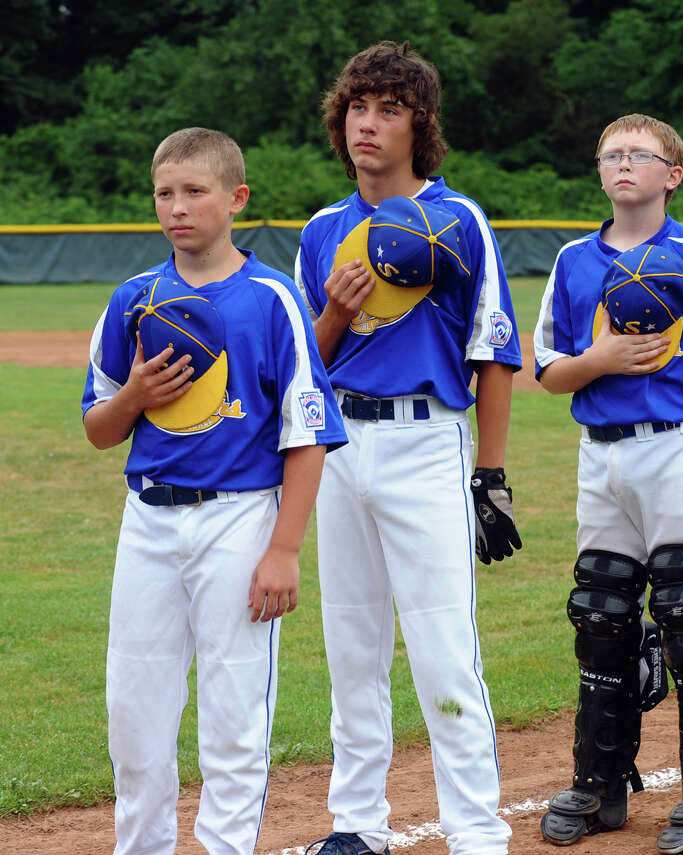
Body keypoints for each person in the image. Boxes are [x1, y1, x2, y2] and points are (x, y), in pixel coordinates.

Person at [81, 127, 345, 854]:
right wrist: (133, 393)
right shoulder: (134, 298)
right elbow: (100, 429)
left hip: (240, 520)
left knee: (233, 720)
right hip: (149, 519)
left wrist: (284, 549)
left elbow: (307, 434)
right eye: (165, 192)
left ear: (236, 198)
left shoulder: (273, 298)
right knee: (134, 714)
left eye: (194, 190)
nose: (177, 206)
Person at [295, 42, 522, 855]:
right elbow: (305, 371)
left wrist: (488, 477)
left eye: (391, 108)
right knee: (352, 645)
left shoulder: (458, 220)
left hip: (427, 440)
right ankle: (358, 822)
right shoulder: (323, 231)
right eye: (359, 106)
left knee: (442, 649)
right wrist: (329, 310)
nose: (369, 122)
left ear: (419, 126)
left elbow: (493, 353)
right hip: (340, 446)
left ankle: (477, 830)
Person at [533, 113, 683, 854]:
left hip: (677, 447)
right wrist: (602, 358)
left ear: (672, 173)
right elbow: (549, 372)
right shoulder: (570, 260)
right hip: (602, 454)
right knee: (601, 616)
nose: (624, 164)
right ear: (599, 171)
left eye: (640, 154)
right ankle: (602, 783)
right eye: (611, 154)